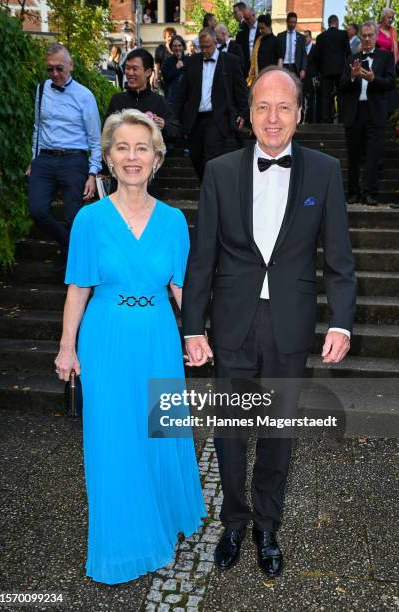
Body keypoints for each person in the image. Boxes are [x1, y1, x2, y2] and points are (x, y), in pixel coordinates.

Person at [181, 66, 356, 578]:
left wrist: (340, 323)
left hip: (289, 322)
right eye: (262, 106)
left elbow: (340, 260)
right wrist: (194, 327)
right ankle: (233, 521)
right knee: (230, 434)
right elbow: (202, 261)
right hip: (232, 322)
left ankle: (266, 526)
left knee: (279, 433)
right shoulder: (220, 171)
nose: (273, 117)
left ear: (300, 114)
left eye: (284, 107)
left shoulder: (324, 171)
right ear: (248, 115)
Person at [54, 108, 205, 585]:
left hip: (158, 338)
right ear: (109, 158)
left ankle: (158, 522)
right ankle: (123, 544)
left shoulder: (175, 221)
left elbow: (180, 288)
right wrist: (66, 347)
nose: (132, 156)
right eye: (123, 147)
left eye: (142, 147)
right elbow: (78, 288)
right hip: (106, 342)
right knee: (113, 442)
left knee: (158, 435)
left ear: (156, 158)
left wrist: (197, 334)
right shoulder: (89, 221)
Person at [26, 43, 101, 262]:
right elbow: (37, 128)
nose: (55, 74)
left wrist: (93, 173)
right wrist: (34, 159)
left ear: (71, 65)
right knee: (37, 211)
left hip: (73, 160)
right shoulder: (41, 89)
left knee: (74, 216)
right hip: (45, 159)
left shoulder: (85, 96)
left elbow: (95, 139)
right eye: (50, 69)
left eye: (60, 68)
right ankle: (68, 243)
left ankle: (71, 266)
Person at [174, 27, 249, 180]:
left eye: (208, 46)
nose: (205, 50)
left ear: (216, 42)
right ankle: (208, 186)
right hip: (195, 119)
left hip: (217, 117)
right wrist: (174, 117)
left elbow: (240, 90)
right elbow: (182, 93)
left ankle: (211, 192)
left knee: (211, 156)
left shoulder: (230, 61)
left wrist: (243, 113)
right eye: (202, 47)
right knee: (195, 156)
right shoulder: (193, 61)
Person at [340, 20, 395, 206]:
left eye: (370, 35)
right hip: (355, 112)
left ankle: (370, 193)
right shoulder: (351, 58)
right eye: (363, 35)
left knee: (373, 155)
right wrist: (353, 76)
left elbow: (390, 83)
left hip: (375, 112)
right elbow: (341, 86)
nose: (367, 39)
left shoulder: (386, 57)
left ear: (376, 36)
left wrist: (373, 79)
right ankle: (353, 193)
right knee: (353, 155)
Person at [105, 49, 180, 143]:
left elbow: (175, 132)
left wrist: (164, 125)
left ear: (148, 72)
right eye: (127, 68)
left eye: (135, 69)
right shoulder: (117, 100)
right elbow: (106, 131)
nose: (130, 73)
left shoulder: (159, 101)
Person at [314, 15, 351, 123]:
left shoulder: (320, 37)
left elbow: (317, 56)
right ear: (337, 22)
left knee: (325, 96)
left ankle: (325, 119)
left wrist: (320, 69)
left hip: (325, 71)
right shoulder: (343, 34)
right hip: (340, 70)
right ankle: (342, 119)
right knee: (341, 95)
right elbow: (348, 52)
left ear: (328, 23)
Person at [247, 14, 283, 87]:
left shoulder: (276, 41)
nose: (260, 31)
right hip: (259, 77)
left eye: (262, 28)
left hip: (272, 77)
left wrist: (279, 75)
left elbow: (280, 59)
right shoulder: (258, 41)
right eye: (259, 28)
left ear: (269, 26)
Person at [277, 12, 307, 78]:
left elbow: (304, 55)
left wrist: (303, 69)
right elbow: (277, 53)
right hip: (283, 66)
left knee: (295, 87)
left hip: (295, 67)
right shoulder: (280, 36)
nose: (293, 24)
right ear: (287, 22)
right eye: (291, 22)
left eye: (294, 22)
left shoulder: (301, 37)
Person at [162, 35, 190, 105]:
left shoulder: (189, 60)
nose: (177, 48)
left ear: (183, 47)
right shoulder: (167, 62)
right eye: (175, 46)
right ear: (171, 48)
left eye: (180, 45)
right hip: (172, 100)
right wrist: (176, 68)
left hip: (186, 100)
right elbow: (166, 79)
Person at [235, 6, 259, 76]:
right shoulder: (242, 29)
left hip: (258, 64)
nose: (246, 21)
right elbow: (238, 46)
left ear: (254, 16)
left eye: (248, 19)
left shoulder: (261, 28)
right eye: (245, 19)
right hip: (246, 64)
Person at [302, 30, 320, 123]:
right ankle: (302, 120)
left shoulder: (315, 48)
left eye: (306, 36)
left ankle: (310, 121)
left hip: (312, 78)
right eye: (303, 37)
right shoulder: (301, 49)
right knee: (301, 101)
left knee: (311, 101)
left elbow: (319, 64)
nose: (304, 39)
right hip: (302, 78)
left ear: (310, 37)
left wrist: (317, 77)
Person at [154, 27, 176, 91]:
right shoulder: (160, 49)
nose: (171, 38)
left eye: (173, 36)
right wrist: (156, 76)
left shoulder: (178, 48)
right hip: (164, 79)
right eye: (169, 36)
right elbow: (157, 63)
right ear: (165, 38)